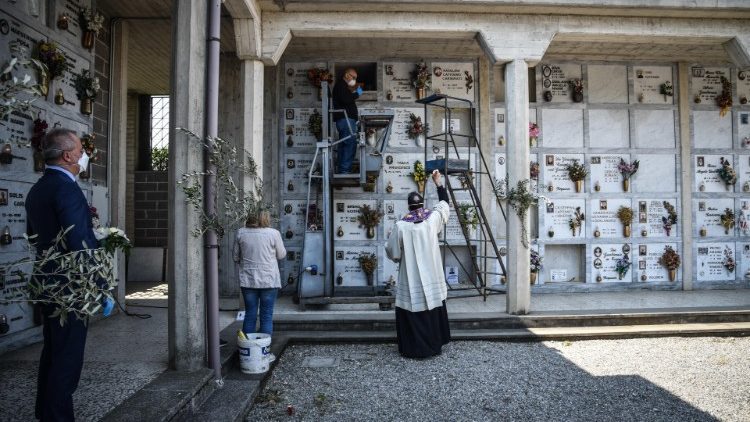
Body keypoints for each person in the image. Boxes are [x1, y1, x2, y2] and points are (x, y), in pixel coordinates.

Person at [25, 128, 113, 421]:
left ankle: (45, 413)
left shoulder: (39, 189)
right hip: (70, 288)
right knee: (67, 362)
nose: (83, 155)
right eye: (79, 150)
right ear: (67, 155)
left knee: (52, 354)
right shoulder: (66, 188)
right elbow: (80, 244)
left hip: (48, 282)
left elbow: (34, 236)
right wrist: (101, 286)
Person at [385, 169, 451, 358]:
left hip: (410, 275)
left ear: (408, 206)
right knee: (432, 304)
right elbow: (444, 204)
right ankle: (434, 345)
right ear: (422, 204)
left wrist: (398, 257)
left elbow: (392, 252)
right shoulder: (432, 219)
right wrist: (438, 183)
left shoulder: (401, 226)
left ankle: (413, 348)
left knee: (412, 306)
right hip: (432, 273)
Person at [233, 210, 286, 361]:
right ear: (265, 218)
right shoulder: (273, 233)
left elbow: (235, 256)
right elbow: (281, 255)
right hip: (268, 280)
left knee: (250, 314)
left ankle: (246, 353)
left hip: (248, 280)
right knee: (266, 315)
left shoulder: (241, 233)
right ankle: (264, 353)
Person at [332, 67, 363, 173]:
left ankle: (342, 170)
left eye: (355, 78)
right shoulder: (341, 85)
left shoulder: (343, 86)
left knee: (344, 144)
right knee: (349, 144)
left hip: (346, 120)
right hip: (345, 120)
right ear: (346, 75)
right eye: (353, 77)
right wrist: (357, 93)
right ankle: (344, 170)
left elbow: (346, 98)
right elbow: (345, 99)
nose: (354, 79)